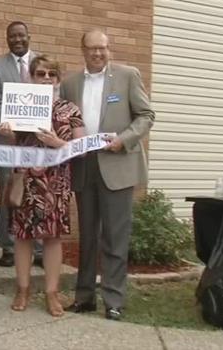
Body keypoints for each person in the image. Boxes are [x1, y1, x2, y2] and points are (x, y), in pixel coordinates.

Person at [59, 29, 154, 321]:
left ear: (108, 49)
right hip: (84, 166)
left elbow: (146, 115)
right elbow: (62, 119)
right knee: (86, 236)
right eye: (92, 49)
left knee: (115, 236)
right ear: (83, 50)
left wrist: (124, 139)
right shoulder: (70, 83)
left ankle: (113, 299)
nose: (98, 53)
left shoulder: (127, 76)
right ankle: (84, 297)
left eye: (103, 48)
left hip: (117, 165)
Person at [0, 55, 84, 316]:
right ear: (31, 77)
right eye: (40, 73)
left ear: (58, 79)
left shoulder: (70, 110)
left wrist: (57, 143)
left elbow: (81, 148)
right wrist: (7, 133)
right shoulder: (21, 105)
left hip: (56, 181)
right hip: (26, 180)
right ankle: (22, 289)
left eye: (51, 74)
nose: (46, 78)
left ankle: (51, 293)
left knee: (52, 237)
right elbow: (14, 140)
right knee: (23, 237)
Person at [0, 21, 37, 267]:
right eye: (12, 36)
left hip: (38, 143)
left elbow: (52, 96)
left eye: (20, 35)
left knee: (36, 192)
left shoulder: (42, 64)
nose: (16, 40)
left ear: (29, 36)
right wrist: (11, 127)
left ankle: (37, 248)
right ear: (6, 39)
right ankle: (7, 246)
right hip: (7, 140)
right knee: (9, 191)